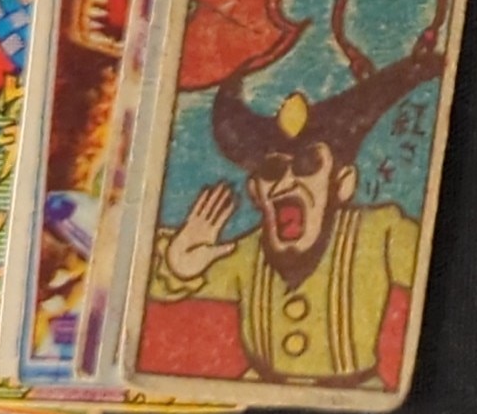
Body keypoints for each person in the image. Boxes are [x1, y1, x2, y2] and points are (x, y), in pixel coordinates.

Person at [151, 50, 438, 390]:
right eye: (272, 169)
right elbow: (137, 281)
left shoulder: (379, 232)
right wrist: (178, 266)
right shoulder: (245, 254)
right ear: (256, 191)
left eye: (307, 164)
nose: (286, 183)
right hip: (258, 399)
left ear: (342, 183)